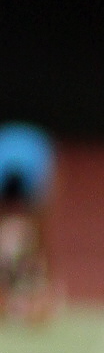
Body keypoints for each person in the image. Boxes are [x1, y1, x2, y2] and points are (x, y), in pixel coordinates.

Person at [0, 123, 56, 322]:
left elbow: (41, 225)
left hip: (37, 149)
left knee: (39, 230)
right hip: (7, 145)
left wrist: (45, 277)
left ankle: (40, 292)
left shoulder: (37, 177)